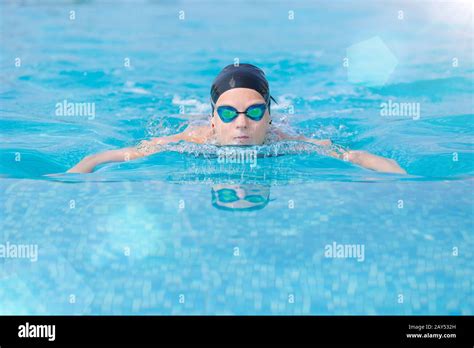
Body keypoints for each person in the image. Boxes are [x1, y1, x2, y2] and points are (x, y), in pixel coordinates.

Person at [68, 63, 406, 174]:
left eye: (255, 112)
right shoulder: (195, 139)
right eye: (228, 114)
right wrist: (79, 173)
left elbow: (350, 155)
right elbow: (119, 155)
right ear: (215, 120)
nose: (241, 123)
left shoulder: (285, 140)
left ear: (269, 118)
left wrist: (404, 179)